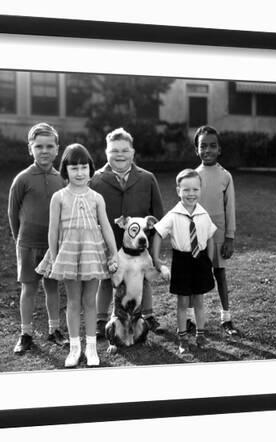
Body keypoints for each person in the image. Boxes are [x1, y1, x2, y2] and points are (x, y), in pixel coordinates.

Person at [36, 144, 118, 368]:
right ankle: (75, 349)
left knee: (90, 302)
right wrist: (55, 258)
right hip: (69, 255)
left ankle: (91, 349)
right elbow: (52, 231)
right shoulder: (59, 197)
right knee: (73, 302)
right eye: (74, 168)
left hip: (92, 253)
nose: (80, 173)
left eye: (84, 167)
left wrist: (113, 252)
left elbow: (107, 227)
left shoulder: (97, 198)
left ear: (91, 169)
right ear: (66, 171)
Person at [90, 128, 164, 337]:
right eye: (114, 151)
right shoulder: (95, 180)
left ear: (132, 152)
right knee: (105, 279)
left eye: (124, 150)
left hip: (138, 245)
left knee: (143, 278)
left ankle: (147, 316)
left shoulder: (147, 178)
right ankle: (101, 319)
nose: (119, 154)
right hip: (108, 242)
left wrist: (151, 242)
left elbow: (158, 215)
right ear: (106, 153)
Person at [7, 122, 68, 354]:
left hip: (52, 245)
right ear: (30, 148)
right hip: (28, 244)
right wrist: (19, 239)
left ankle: (54, 330)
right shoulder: (22, 179)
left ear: (57, 149)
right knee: (29, 288)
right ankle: (26, 333)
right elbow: (13, 212)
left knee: (52, 287)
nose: (44, 150)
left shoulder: (61, 178)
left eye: (49, 146)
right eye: (39, 146)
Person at [151, 169, 217, 353]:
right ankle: (182, 338)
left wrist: (209, 260)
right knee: (182, 302)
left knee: (199, 300)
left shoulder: (204, 214)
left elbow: (210, 236)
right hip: (182, 261)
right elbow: (157, 233)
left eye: (195, 189)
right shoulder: (173, 215)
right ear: (178, 190)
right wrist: (156, 260)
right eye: (186, 189)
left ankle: (200, 335)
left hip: (201, 260)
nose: (191, 193)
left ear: (200, 190)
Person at [188, 125, 239, 336]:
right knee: (194, 277)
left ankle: (226, 318)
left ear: (219, 149)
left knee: (220, 274)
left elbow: (230, 209)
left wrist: (229, 238)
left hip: (218, 235)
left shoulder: (225, 176)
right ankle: (190, 318)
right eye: (203, 146)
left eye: (212, 146)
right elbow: (187, 207)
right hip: (196, 235)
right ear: (196, 150)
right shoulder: (192, 176)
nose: (207, 150)